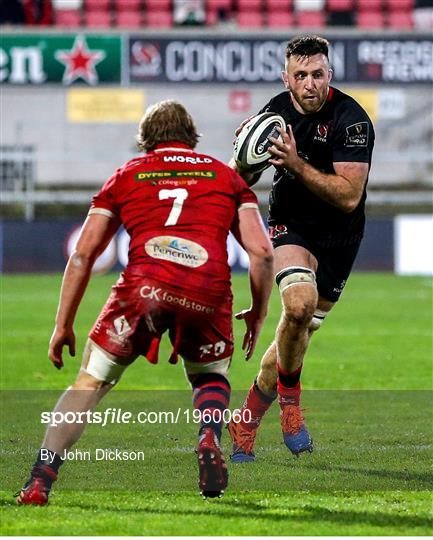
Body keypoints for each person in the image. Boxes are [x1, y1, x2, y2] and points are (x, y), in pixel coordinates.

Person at [16, 100, 274, 504]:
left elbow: (83, 255)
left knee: (91, 381)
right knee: (209, 374)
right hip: (205, 289)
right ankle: (209, 434)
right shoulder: (226, 177)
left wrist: (63, 324)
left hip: (143, 289)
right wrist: (258, 312)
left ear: (144, 140)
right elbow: (261, 253)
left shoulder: (126, 176)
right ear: (192, 137)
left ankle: (39, 480)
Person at [228, 35, 375, 462]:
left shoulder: (352, 120)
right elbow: (243, 181)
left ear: (329, 74)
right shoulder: (273, 114)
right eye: (300, 75)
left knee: (292, 341)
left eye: (317, 74)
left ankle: (247, 420)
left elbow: (349, 196)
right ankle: (291, 405)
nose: (309, 84)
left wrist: (294, 164)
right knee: (297, 306)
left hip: (340, 241)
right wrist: (244, 158)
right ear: (286, 78)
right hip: (291, 227)